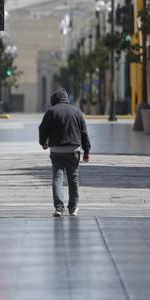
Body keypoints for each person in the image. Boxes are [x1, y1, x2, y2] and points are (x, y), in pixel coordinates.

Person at [38, 88, 91, 217]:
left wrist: (43, 143)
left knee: (57, 178)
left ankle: (59, 208)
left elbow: (42, 129)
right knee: (73, 179)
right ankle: (73, 208)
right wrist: (86, 150)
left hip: (56, 150)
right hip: (73, 150)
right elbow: (84, 132)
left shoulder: (51, 112)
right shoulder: (77, 111)